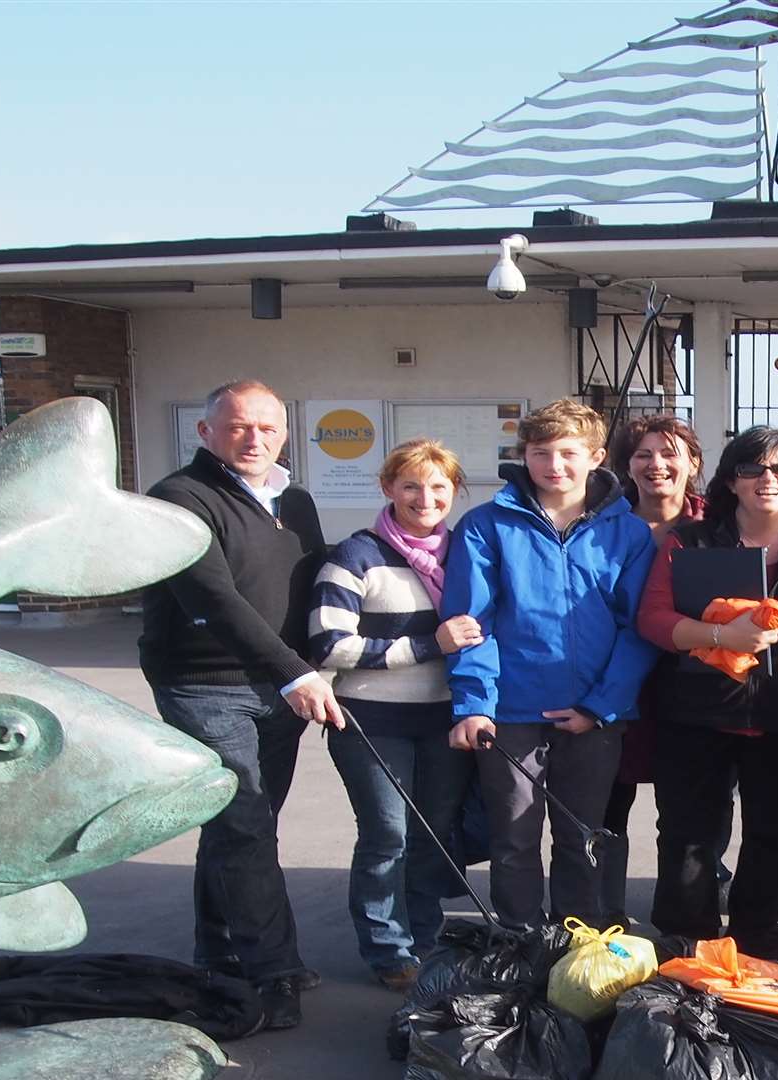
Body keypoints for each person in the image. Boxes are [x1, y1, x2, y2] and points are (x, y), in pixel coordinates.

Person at [139, 379, 337, 1029]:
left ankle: (217, 950)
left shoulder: (296, 501)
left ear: (285, 432)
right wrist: (295, 674)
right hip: (206, 686)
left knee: (237, 827)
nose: (255, 439)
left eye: (268, 427)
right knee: (245, 822)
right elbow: (212, 600)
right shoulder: (178, 499)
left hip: (280, 689)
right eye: (238, 426)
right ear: (206, 432)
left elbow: (313, 584)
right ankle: (271, 969)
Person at [638, 427, 778, 961]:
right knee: (688, 837)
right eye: (753, 469)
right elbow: (652, 618)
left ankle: (755, 943)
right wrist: (720, 636)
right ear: (732, 481)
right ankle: (687, 943)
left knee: (774, 834)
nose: (768, 480)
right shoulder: (689, 542)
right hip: (696, 715)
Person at [443, 399, 658, 931]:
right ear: (524, 456)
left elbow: (638, 629)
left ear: (596, 457)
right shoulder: (485, 526)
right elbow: (474, 622)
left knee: (581, 835)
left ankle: (576, 941)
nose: (554, 465)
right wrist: (474, 705)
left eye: (568, 453)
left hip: (591, 715)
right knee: (513, 836)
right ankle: (518, 937)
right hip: (510, 712)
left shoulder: (627, 533)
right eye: (541, 453)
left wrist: (601, 706)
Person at [308, 439, 480, 991]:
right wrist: (429, 644)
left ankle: (424, 939)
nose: (424, 498)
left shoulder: (467, 554)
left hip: (443, 721)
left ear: (454, 492)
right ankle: (388, 950)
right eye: (410, 485)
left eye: (437, 486)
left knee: (432, 834)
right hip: (371, 721)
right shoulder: (356, 555)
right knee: (387, 835)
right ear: (388, 489)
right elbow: (328, 645)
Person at [598, 415, 707, 928]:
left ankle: (676, 925)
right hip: (609, 684)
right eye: (643, 454)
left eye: (669, 453)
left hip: (690, 689)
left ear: (694, 464)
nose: (656, 465)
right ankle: (600, 918)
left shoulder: (714, 529)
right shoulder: (599, 524)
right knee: (604, 808)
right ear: (626, 465)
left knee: (683, 816)